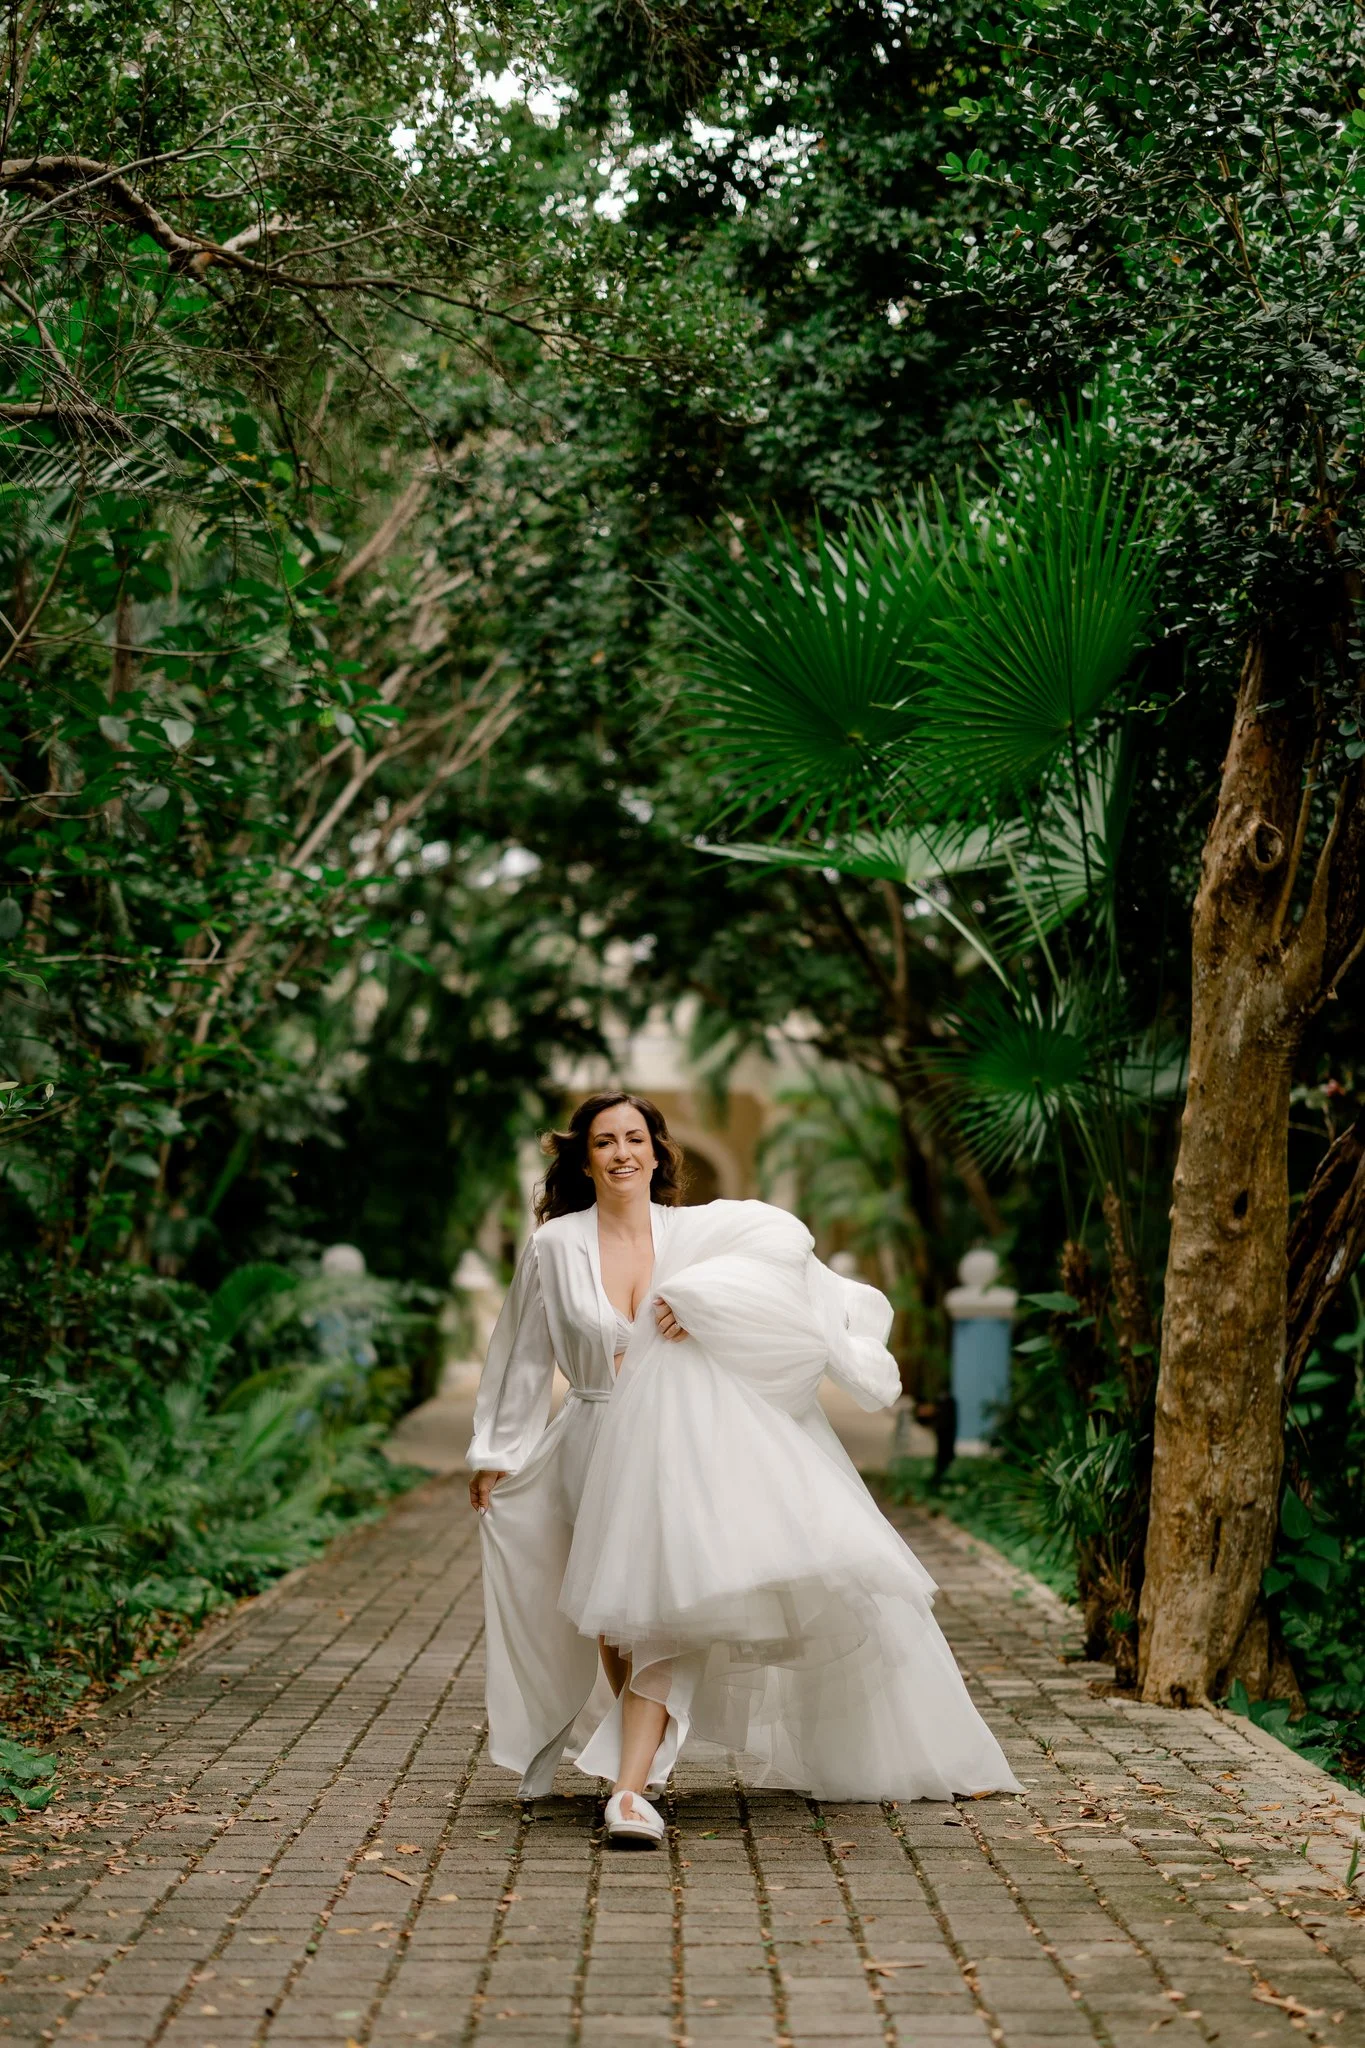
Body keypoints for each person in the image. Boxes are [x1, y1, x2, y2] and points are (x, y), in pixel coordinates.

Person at [468, 1090, 1019, 1848]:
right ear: (584, 1158)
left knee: (663, 1606)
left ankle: (629, 1790)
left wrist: (708, 1301)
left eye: (635, 1138)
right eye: (605, 1141)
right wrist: (497, 1454)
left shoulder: (698, 1237)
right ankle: (640, 1759)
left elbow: (785, 1249)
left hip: (678, 1445)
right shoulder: (556, 1245)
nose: (622, 1153)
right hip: (590, 1440)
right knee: (613, 1624)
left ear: (658, 1153)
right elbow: (521, 1355)